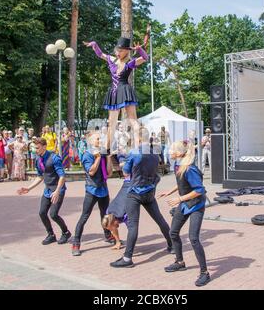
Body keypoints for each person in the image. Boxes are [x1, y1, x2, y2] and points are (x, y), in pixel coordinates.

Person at [110, 128, 173, 268]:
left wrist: (128, 168)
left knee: (133, 225)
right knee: (160, 219)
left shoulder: (134, 152)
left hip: (135, 192)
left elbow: (126, 171)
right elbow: (158, 173)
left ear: (137, 138)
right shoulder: (155, 153)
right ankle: (172, 245)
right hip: (149, 192)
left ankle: (127, 258)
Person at [158, 141, 210, 287]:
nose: (169, 152)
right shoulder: (178, 165)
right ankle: (180, 262)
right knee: (173, 232)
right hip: (185, 203)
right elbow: (182, 182)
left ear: (180, 153)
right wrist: (170, 191)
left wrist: (179, 198)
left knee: (193, 238)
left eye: (172, 150)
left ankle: (204, 272)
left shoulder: (190, 168)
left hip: (196, 205)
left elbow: (199, 190)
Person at [84, 37, 149, 153]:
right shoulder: (112, 60)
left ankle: (138, 147)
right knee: (111, 121)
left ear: (127, 51)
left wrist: (139, 50)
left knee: (133, 120)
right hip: (114, 92)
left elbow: (145, 58)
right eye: (118, 50)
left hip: (124, 89)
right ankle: (108, 149)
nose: (119, 53)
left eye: (122, 51)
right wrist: (94, 44)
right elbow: (100, 54)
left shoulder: (130, 63)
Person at [17, 138, 71, 245]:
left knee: (54, 214)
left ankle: (66, 232)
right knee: (42, 213)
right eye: (34, 148)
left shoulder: (54, 158)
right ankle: (51, 235)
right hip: (47, 190)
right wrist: (28, 188)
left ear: (44, 147)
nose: (35, 150)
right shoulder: (38, 159)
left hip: (58, 190)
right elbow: (40, 176)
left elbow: (62, 176)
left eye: (37, 148)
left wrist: (57, 191)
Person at [71, 132, 113, 256]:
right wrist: (98, 158)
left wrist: (109, 158)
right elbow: (92, 172)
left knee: (105, 214)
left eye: (100, 138)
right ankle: (76, 242)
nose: (100, 141)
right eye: (98, 139)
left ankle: (108, 235)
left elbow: (109, 173)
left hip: (103, 189)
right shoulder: (87, 155)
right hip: (92, 189)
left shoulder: (103, 154)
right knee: (84, 216)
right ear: (90, 141)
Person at [102, 154, 130, 250]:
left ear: (114, 222)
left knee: (126, 165)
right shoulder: (108, 214)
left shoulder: (123, 215)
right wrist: (118, 242)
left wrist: (130, 248)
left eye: (111, 228)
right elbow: (113, 229)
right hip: (126, 183)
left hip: (131, 184)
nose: (112, 230)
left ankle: (123, 156)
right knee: (124, 165)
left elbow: (132, 230)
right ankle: (122, 156)